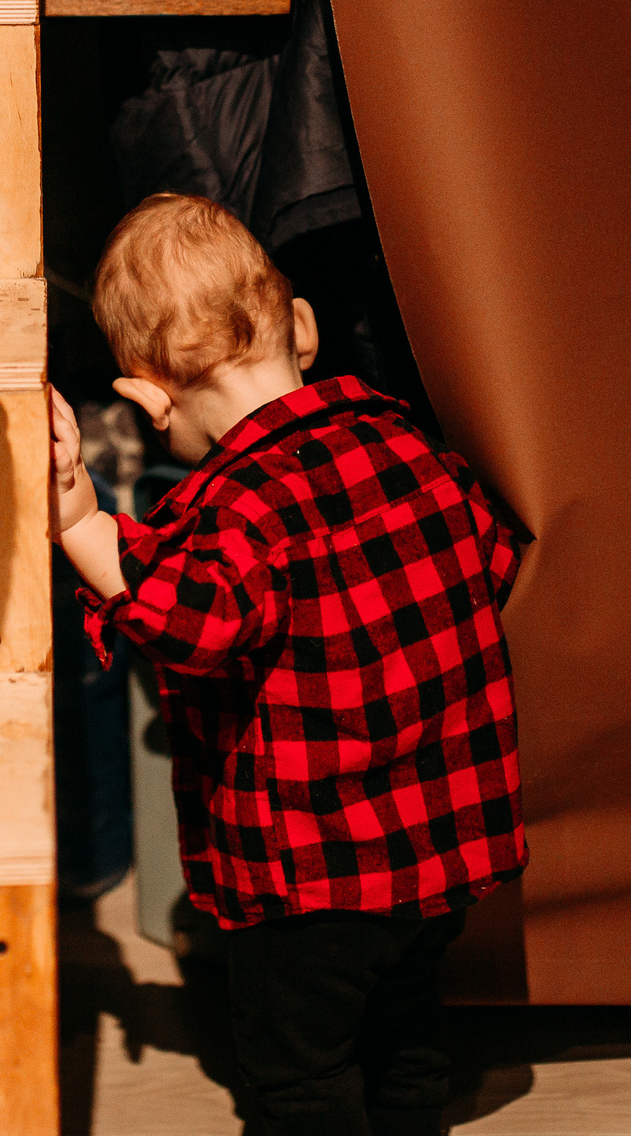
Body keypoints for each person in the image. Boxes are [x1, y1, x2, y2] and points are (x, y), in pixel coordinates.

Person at [49, 193, 528, 1136]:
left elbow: (180, 620)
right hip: (442, 853)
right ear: (301, 329)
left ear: (148, 394)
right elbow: (496, 557)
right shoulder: (414, 448)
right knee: (407, 1037)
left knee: (300, 1074)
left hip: (312, 884)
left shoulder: (238, 513)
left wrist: (77, 515)